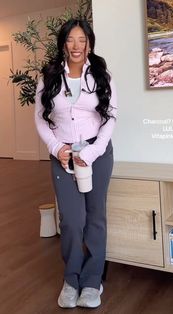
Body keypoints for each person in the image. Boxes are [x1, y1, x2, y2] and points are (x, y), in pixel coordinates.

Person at [34, 18, 117, 309]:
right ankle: (71, 280)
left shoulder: (101, 75)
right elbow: (40, 119)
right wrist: (57, 148)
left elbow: (110, 118)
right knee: (71, 220)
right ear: (63, 44)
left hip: (97, 154)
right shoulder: (49, 77)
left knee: (95, 218)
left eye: (82, 40)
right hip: (63, 156)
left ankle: (93, 282)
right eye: (70, 39)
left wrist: (92, 153)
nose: (76, 46)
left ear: (89, 43)